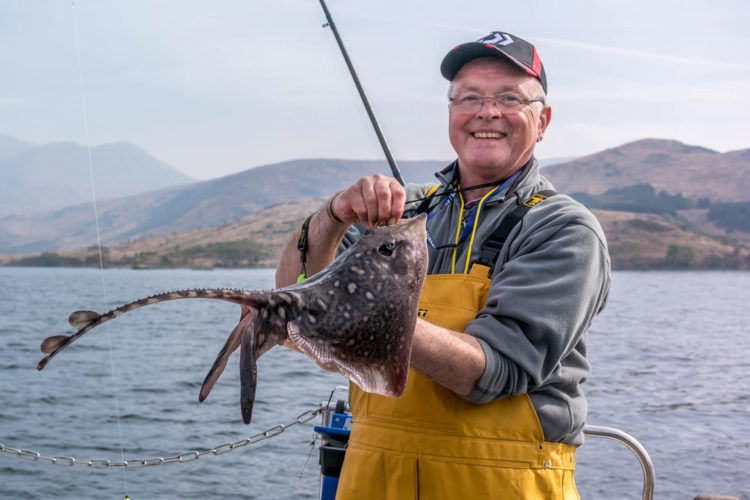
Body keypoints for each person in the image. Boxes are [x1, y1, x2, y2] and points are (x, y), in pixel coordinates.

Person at [276, 31, 610, 499]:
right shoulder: (400, 211)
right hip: (372, 479)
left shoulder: (562, 228)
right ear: (451, 114)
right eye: (469, 97)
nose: (486, 112)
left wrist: (364, 315)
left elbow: (495, 370)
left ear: (543, 120)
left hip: (502, 484)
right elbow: (294, 291)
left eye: (509, 97)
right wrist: (333, 214)